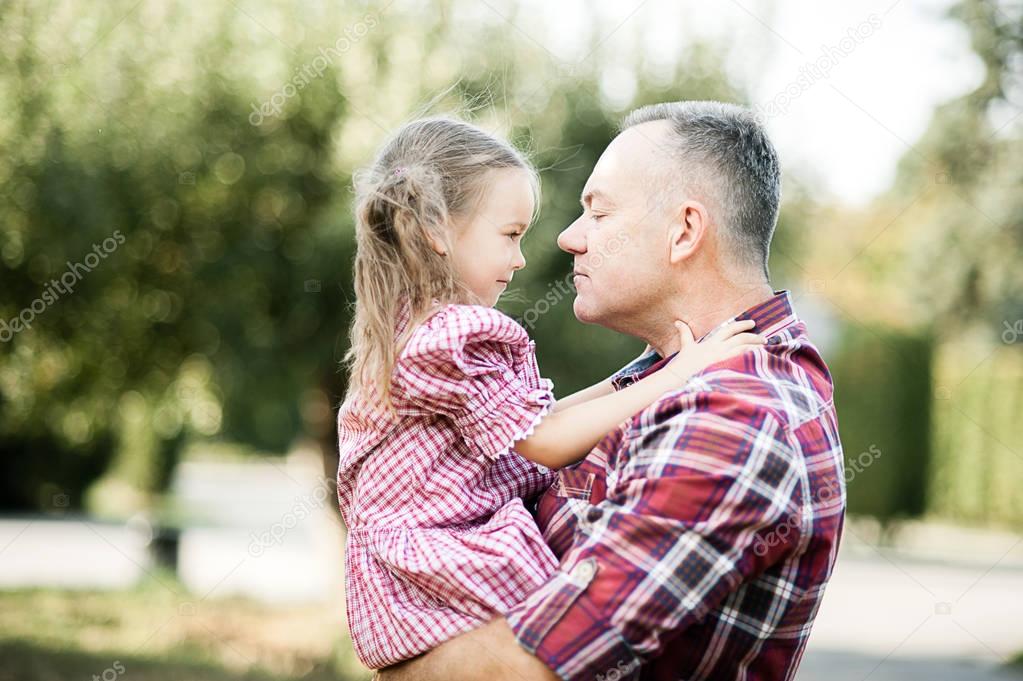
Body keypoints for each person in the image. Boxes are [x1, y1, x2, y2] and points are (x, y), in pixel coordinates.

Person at [380, 102, 846, 681]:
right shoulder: (670, 374)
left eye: (598, 213)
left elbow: (532, 665)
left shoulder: (737, 417)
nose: (571, 239)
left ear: (684, 232)